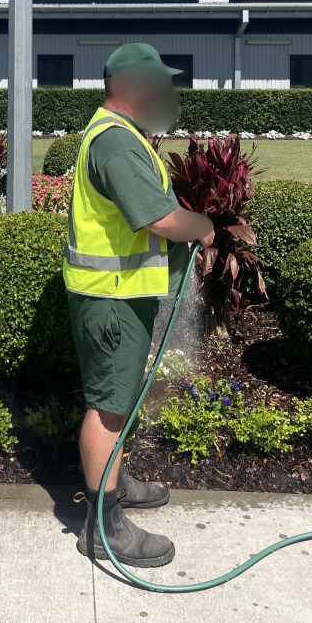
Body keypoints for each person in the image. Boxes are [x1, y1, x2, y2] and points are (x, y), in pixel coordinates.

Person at [63, 43, 215, 568]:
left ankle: (117, 480)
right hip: (111, 301)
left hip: (121, 296)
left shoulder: (122, 135)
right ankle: (103, 528)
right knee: (109, 407)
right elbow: (160, 219)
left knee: (119, 398)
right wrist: (203, 226)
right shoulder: (116, 144)